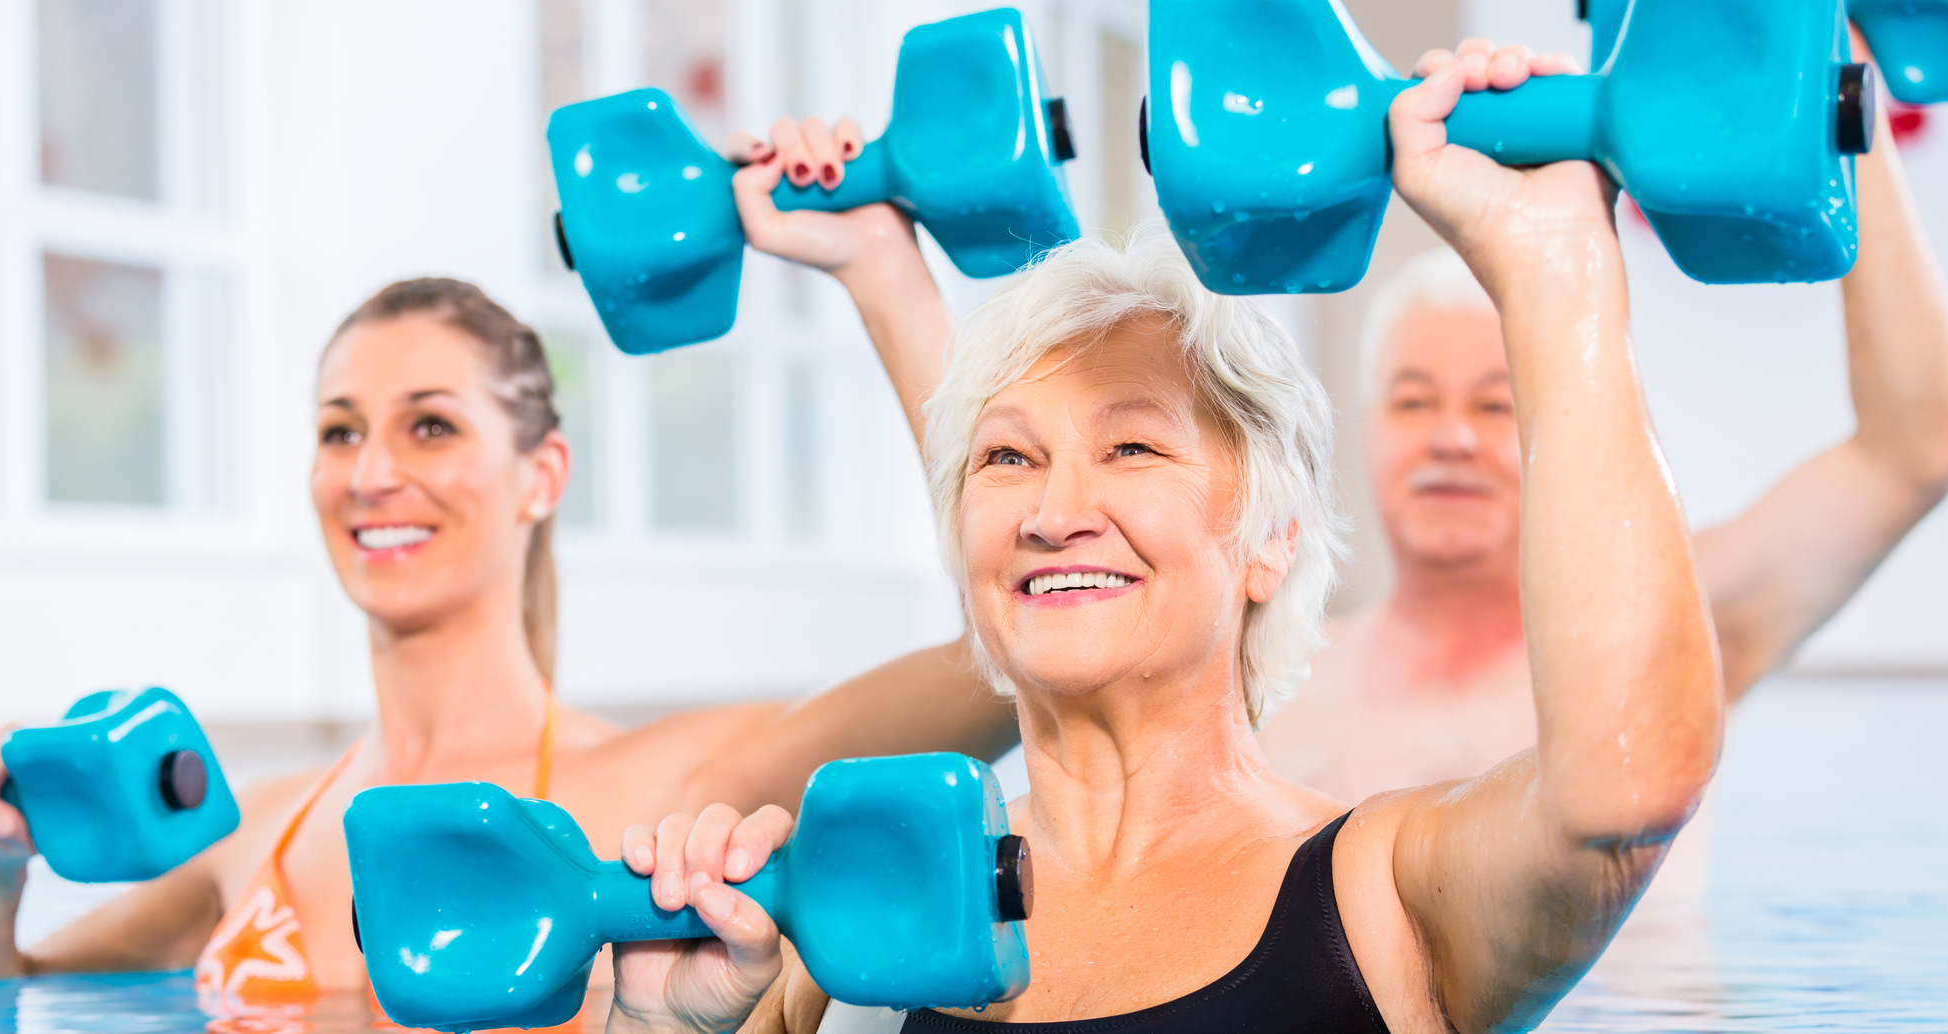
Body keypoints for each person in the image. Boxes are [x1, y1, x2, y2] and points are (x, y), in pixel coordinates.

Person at [578, 41, 1726, 1034]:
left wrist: (1553, 266)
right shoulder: (832, 920)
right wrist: (660, 1025)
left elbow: (1619, 790)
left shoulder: (1384, 892)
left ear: (1267, 538)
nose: (1050, 509)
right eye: (1007, 460)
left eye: (1131, 449)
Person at [0, 115, 1019, 1009]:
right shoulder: (259, 825)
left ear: (541, 474)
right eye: (340, 430)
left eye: (431, 426)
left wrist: (878, 266)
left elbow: (1010, 651)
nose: (371, 474)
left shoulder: (670, 790)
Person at [1254, 33, 1948, 805]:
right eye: (1414, 401)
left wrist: (1839, 70)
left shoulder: (1667, 633)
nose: (1451, 437)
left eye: (1495, 405)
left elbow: (1919, 447)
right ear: (1364, 430)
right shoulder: (1272, 683)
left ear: (1561, 417)